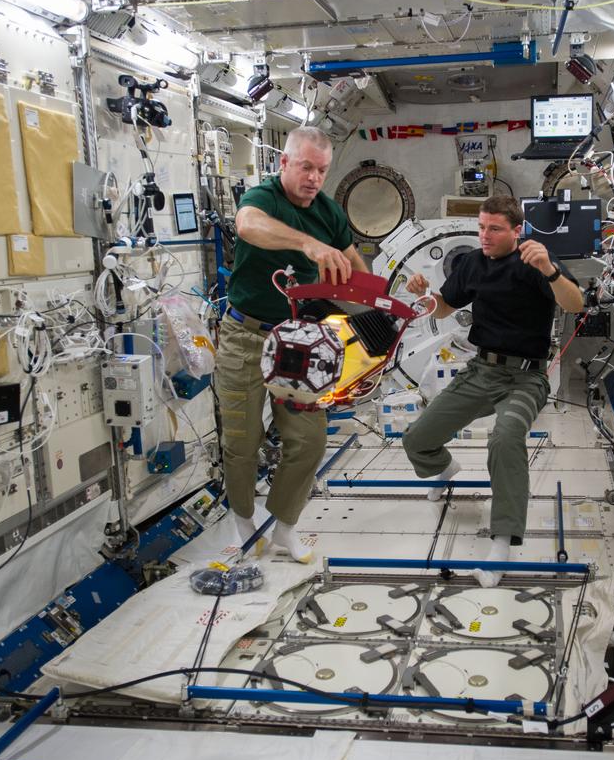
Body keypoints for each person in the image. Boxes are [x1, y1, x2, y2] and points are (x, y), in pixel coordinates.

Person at [403, 195, 584, 586]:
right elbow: (444, 308)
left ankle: (502, 540)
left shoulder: (534, 261)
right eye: (482, 227)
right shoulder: (473, 262)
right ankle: (443, 469)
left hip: (526, 377)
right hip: (481, 371)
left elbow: (576, 302)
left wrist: (550, 271)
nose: (484, 235)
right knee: (416, 438)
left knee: (505, 437)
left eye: (494, 229)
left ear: (517, 231)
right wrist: (423, 293)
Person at [214, 126, 369, 563]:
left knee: (309, 441)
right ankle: (243, 521)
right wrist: (307, 244)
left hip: (300, 343)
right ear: (283, 163)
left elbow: (356, 275)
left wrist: (389, 308)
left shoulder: (329, 212)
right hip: (246, 335)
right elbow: (248, 227)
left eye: (322, 170)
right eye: (305, 167)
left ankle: (284, 528)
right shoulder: (263, 199)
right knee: (242, 441)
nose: (314, 178)